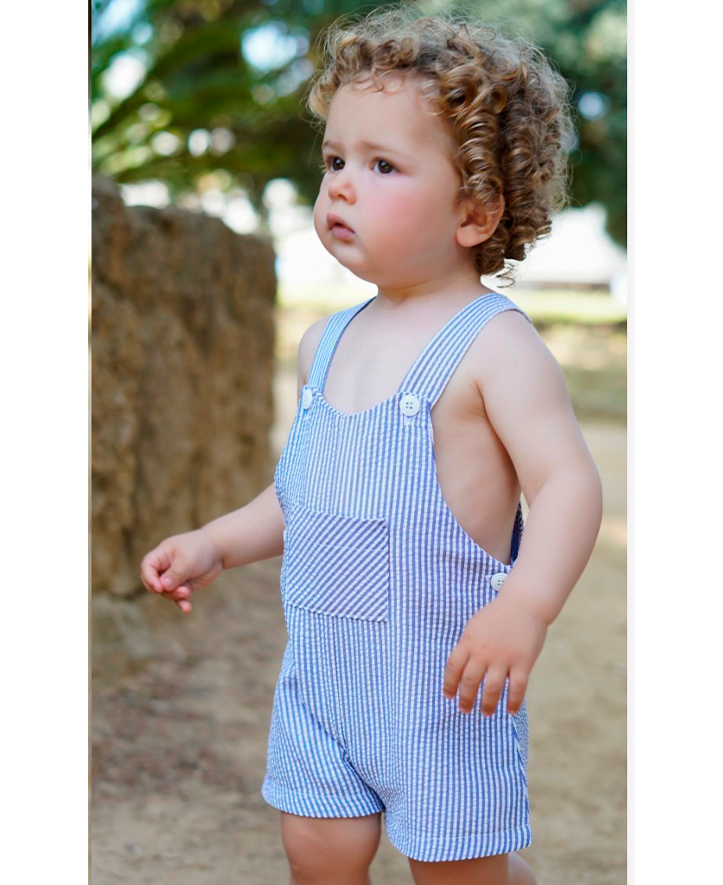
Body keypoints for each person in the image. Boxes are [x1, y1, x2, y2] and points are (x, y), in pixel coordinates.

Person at [140, 7, 603, 884]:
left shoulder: (493, 346)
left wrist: (526, 605)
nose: (343, 186)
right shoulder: (325, 343)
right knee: (316, 851)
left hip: (446, 693)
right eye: (335, 161)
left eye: (382, 165)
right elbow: (304, 495)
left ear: (476, 210)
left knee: (456, 871)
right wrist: (216, 542)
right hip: (324, 686)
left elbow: (568, 484)